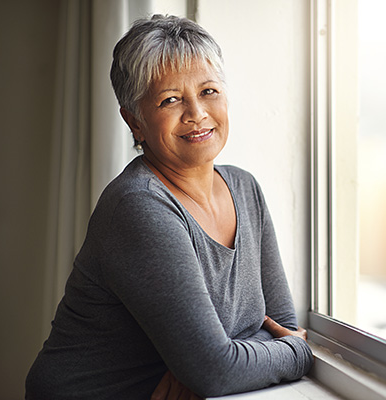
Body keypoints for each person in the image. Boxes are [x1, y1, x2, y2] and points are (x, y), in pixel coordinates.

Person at [25, 14, 313, 400]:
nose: (196, 113)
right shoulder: (138, 207)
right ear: (135, 122)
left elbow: (278, 325)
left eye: (208, 90)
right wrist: (299, 352)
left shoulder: (245, 189)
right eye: (170, 99)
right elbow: (223, 368)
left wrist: (216, 362)